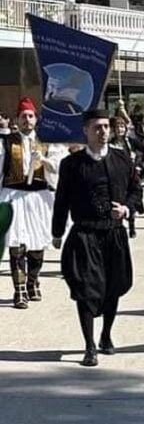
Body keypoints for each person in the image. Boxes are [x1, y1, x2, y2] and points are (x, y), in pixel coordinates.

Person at [52, 109, 141, 367]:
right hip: (84, 235)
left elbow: (136, 192)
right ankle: (89, 345)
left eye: (106, 127)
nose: (103, 132)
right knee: (85, 290)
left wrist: (125, 209)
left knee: (113, 286)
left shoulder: (122, 159)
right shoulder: (72, 164)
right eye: (97, 128)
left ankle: (106, 335)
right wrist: (57, 232)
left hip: (113, 234)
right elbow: (61, 201)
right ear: (86, 131)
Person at [0, 98, 62, 309]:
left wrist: (43, 160)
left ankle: (33, 280)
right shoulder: (6, 142)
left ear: (36, 119)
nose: (27, 120)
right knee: (16, 244)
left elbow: (57, 167)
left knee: (36, 243)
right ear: (17, 119)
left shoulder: (46, 142)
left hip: (38, 196)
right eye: (23, 116)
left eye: (30, 116)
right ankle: (19, 290)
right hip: (13, 195)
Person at [110, 114, 144, 238]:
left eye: (122, 126)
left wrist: (140, 165)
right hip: (115, 174)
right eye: (117, 127)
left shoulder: (131, 142)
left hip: (130, 174)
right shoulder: (110, 143)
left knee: (131, 198)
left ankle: (132, 226)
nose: (120, 129)